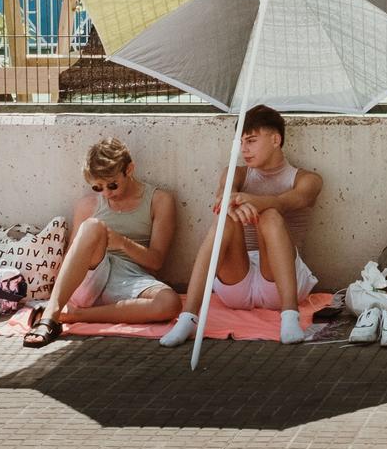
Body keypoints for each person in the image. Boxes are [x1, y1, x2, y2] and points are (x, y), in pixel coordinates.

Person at [160, 105, 323, 348]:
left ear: (275, 139)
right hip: (237, 283)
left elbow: (283, 202)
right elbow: (220, 198)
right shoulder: (235, 173)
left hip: (281, 281)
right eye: (241, 142)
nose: (243, 149)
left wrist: (247, 201)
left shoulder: (306, 179)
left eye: (251, 140)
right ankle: (189, 317)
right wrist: (231, 202)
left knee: (270, 216)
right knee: (225, 218)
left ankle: (290, 316)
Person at [23, 137, 181, 347]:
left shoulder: (159, 200)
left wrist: (122, 242)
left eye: (113, 185)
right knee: (92, 226)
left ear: (130, 169)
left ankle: (75, 315)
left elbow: (156, 262)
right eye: (98, 188)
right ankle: (50, 316)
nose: (107, 193)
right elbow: (73, 260)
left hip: (131, 279)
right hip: (92, 275)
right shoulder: (87, 205)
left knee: (171, 303)